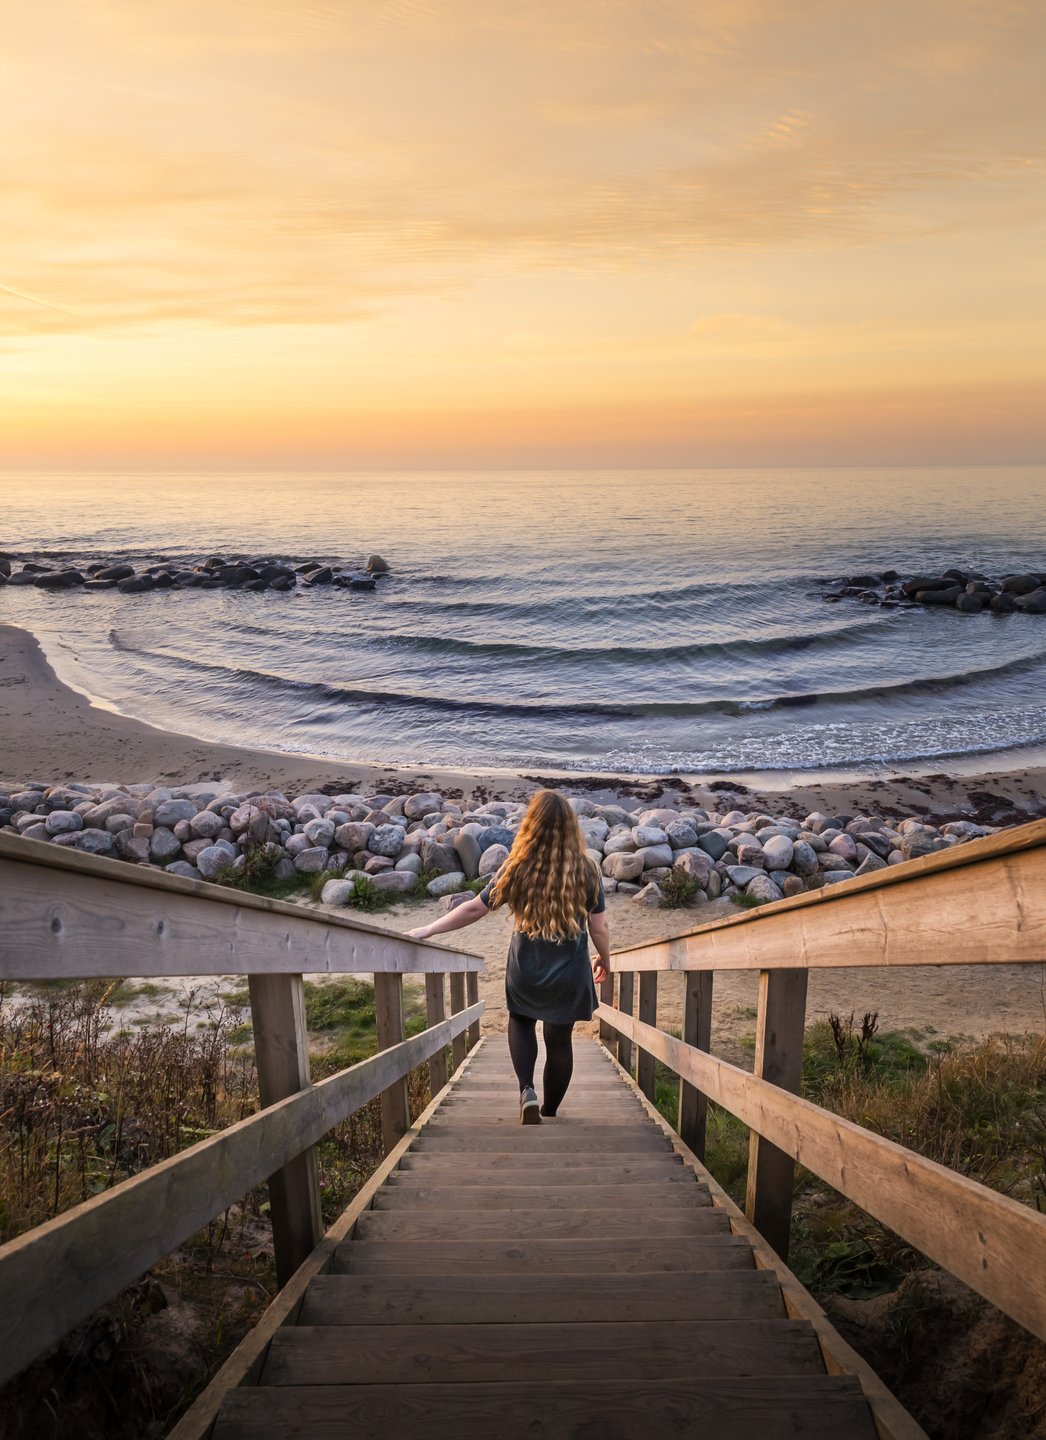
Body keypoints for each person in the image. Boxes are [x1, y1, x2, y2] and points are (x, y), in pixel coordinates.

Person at [408, 789, 610, 1124]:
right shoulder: (587, 870)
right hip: (570, 974)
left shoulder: (516, 867)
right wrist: (606, 958)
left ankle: (527, 1090)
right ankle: (550, 1111)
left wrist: (427, 930)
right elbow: (599, 928)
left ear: (532, 825)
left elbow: (474, 909)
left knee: (521, 1021)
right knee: (559, 1040)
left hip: (526, 970)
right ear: (570, 828)